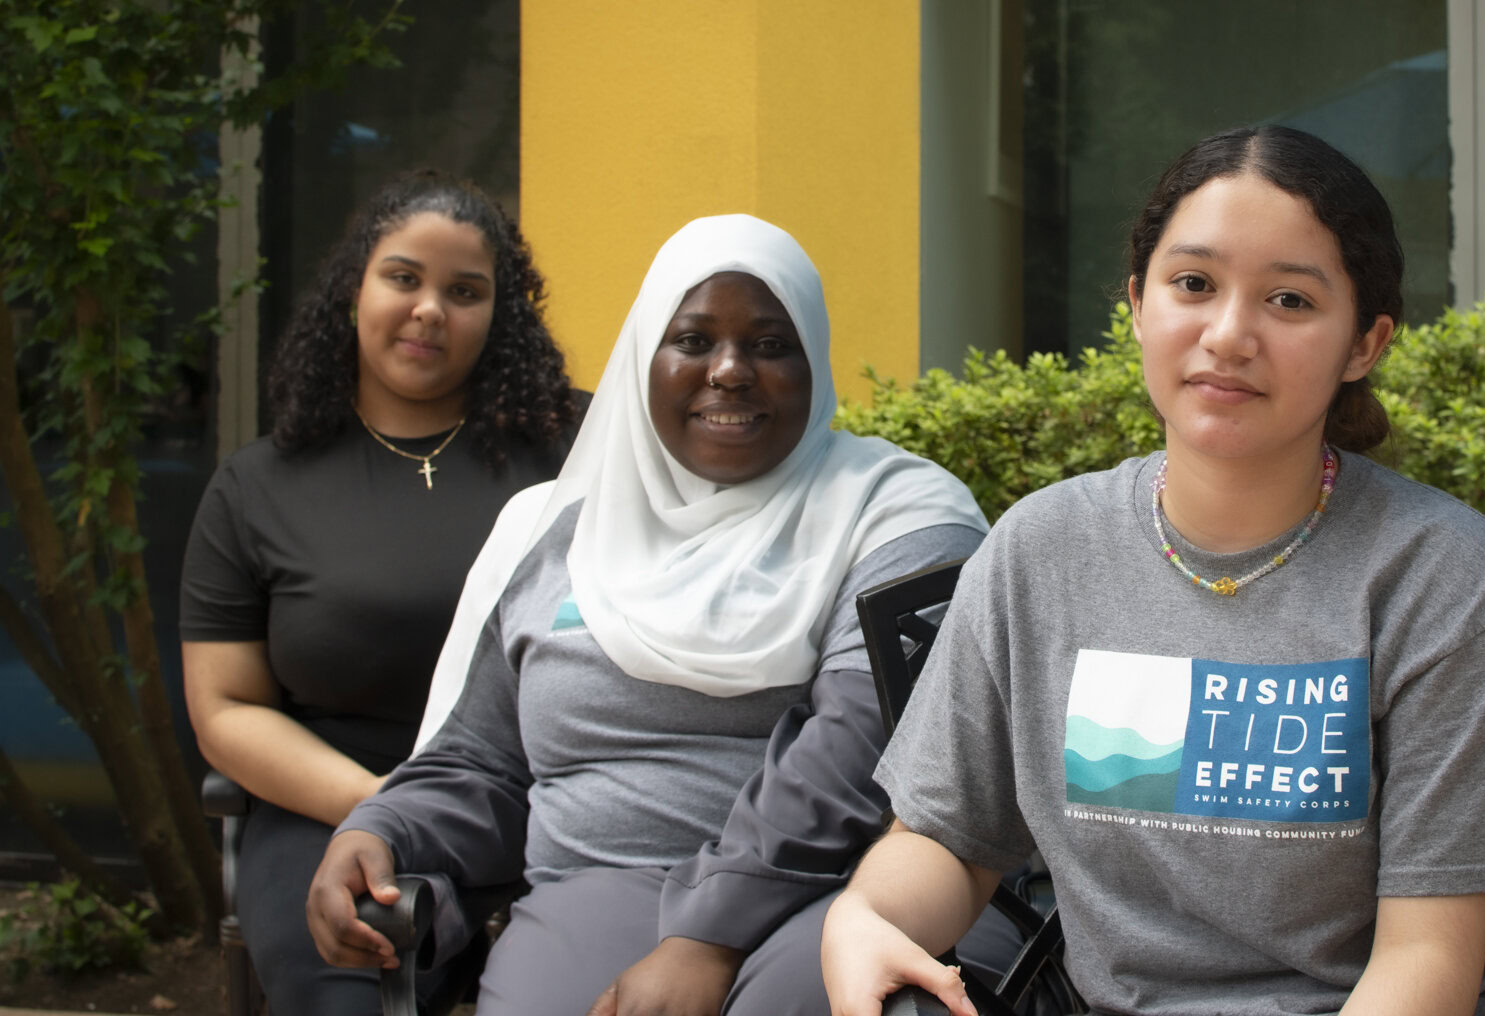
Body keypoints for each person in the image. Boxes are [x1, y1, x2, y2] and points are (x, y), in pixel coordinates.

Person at [821, 127, 1485, 1016]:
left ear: (1364, 343)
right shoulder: (1040, 551)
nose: (1229, 336)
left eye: (1289, 300)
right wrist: (867, 913)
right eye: (1193, 284)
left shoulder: (1445, 581)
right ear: (1138, 305)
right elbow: (952, 840)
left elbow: (1425, 967)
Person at [305, 214, 1014, 1016]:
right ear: (645, 356)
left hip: (861, 883)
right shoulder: (558, 533)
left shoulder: (902, 516)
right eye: (693, 340)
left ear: (814, 357)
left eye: (771, 345)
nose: (730, 371)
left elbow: (858, 747)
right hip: (600, 887)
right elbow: (485, 761)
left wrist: (704, 941)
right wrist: (385, 830)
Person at [181, 171, 582, 1016]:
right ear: (354, 291)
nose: (430, 308)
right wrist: (384, 809)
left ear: (499, 316)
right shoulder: (259, 488)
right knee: (350, 978)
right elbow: (225, 708)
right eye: (404, 277)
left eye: (464, 290)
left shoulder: (578, 452)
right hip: (331, 801)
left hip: (549, 796)